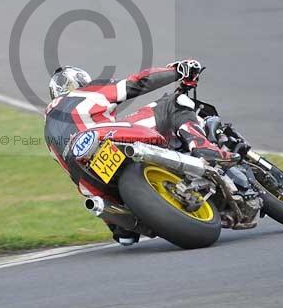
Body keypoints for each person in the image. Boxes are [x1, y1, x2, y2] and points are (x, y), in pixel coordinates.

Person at [43, 60, 230, 246]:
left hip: (90, 181)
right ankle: (204, 148)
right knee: (175, 102)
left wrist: (110, 218)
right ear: (80, 81)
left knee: (125, 235)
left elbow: (73, 174)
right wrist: (177, 71)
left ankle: (121, 226)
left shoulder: (48, 134)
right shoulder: (85, 92)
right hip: (103, 137)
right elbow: (136, 83)